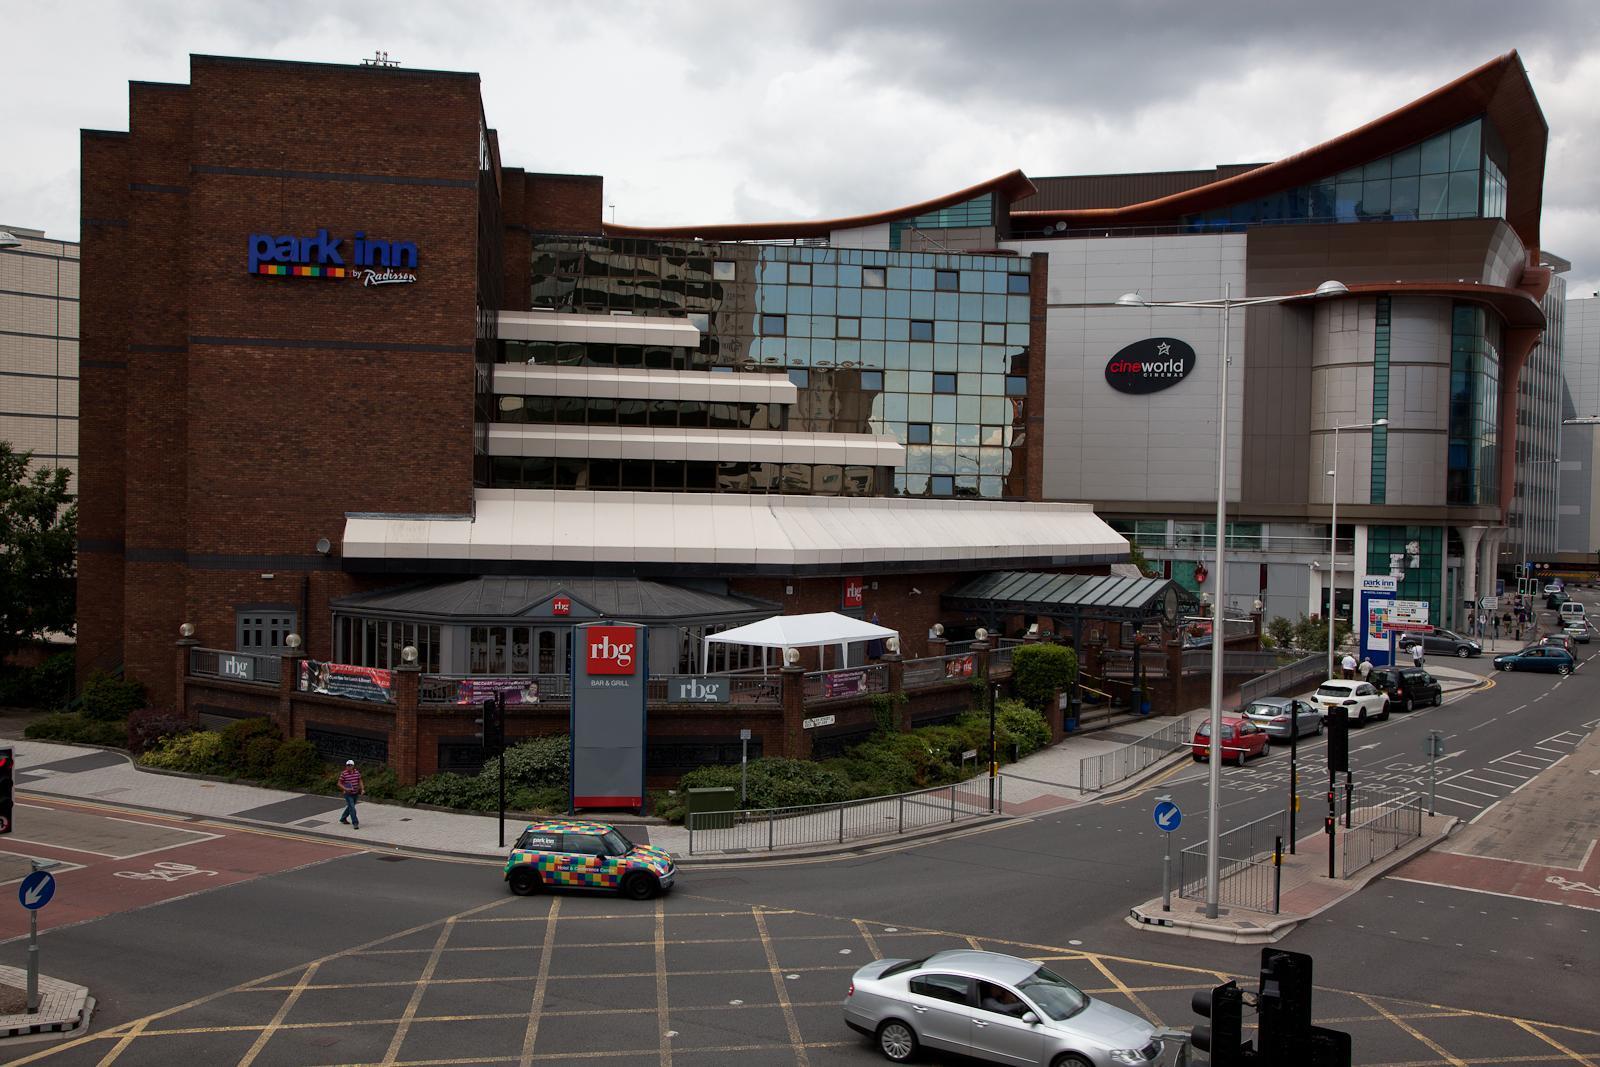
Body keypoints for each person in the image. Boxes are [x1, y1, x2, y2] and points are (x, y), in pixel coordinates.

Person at [338, 759, 364, 829]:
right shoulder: (344, 773)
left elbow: (360, 781)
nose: (349, 767)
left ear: (353, 766)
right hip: (348, 794)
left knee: (350, 807)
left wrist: (362, 789)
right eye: (347, 765)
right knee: (352, 808)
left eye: (350, 765)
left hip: (355, 793)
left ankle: (343, 818)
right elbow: (339, 783)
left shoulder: (357, 773)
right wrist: (345, 789)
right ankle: (355, 823)